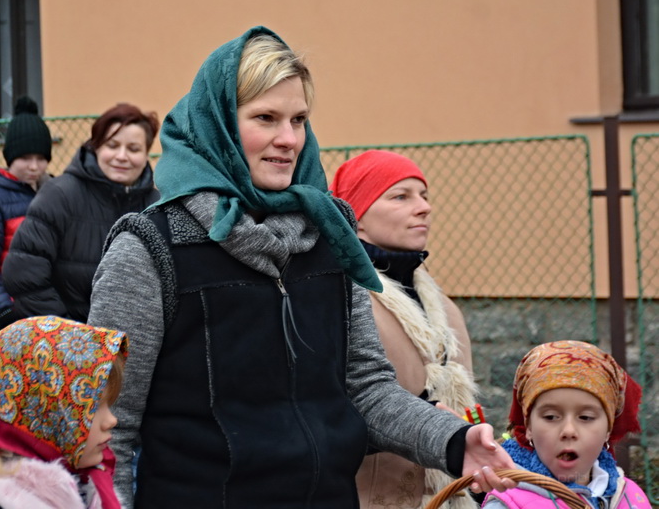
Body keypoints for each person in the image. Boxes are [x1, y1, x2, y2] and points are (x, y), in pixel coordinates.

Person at [87, 26, 515, 509]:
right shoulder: (150, 248)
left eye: (299, 119)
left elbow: (367, 389)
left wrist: (455, 442)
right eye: (265, 118)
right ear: (217, 124)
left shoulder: (329, 235)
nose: (288, 139)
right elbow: (112, 425)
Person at [331, 150, 478, 509]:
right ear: (356, 217)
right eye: (401, 197)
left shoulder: (445, 309)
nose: (424, 208)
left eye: (424, 196)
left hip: (450, 496)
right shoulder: (340, 298)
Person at [0, 315, 127, 509]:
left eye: (108, 405)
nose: (111, 420)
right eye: (94, 408)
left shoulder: (87, 488)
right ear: (42, 412)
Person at [2, 103, 159, 322]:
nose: (122, 156)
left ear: (146, 154)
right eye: (112, 145)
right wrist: (68, 333)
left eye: (133, 149)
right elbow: (23, 273)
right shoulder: (59, 196)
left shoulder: (157, 206)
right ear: (96, 147)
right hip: (69, 338)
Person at [483, 340, 650, 508]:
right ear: (529, 427)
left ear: (608, 429)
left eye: (585, 417)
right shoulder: (507, 502)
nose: (569, 431)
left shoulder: (631, 498)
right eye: (551, 417)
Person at [0, 96, 52, 337]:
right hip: (9, 319)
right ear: (11, 157)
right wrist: (4, 310)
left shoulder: (55, 196)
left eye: (41, 158)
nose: (34, 166)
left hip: (50, 315)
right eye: (25, 158)